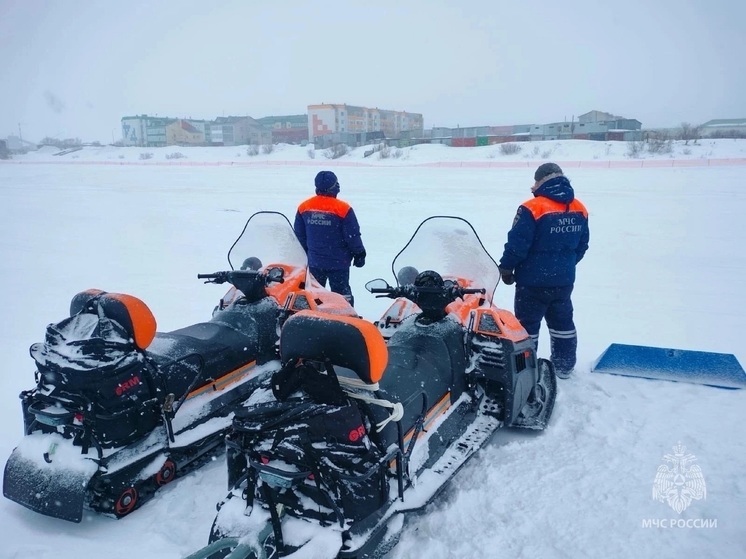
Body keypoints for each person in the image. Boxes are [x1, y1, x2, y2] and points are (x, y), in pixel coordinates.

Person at [498, 162, 590, 379]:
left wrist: (507, 267)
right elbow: (582, 245)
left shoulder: (532, 208)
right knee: (563, 324)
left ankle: (526, 371)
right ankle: (564, 366)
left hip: (532, 283)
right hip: (563, 281)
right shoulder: (579, 207)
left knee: (526, 329)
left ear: (540, 181)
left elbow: (518, 243)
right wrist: (564, 265)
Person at [294, 170, 366, 306]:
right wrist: (359, 253)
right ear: (334, 187)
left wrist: (306, 255)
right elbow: (352, 236)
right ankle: (345, 321)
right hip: (339, 264)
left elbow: (299, 237)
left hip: (315, 263)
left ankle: (313, 321)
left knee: (313, 298)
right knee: (342, 299)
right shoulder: (343, 209)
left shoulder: (304, 207)